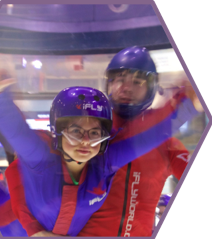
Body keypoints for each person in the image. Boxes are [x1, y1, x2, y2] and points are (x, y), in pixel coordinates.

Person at [0, 49, 199, 236]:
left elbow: (149, 138)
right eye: (75, 131)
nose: (85, 142)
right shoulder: (44, 157)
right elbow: (16, 134)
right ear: (58, 132)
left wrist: (190, 105)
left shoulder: (104, 160)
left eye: (94, 134)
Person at [78, 46, 198, 237]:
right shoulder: (90, 133)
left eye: (137, 81)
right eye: (119, 79)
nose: (125, 88)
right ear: (108, 83)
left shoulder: (166, 145)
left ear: (151, 88)